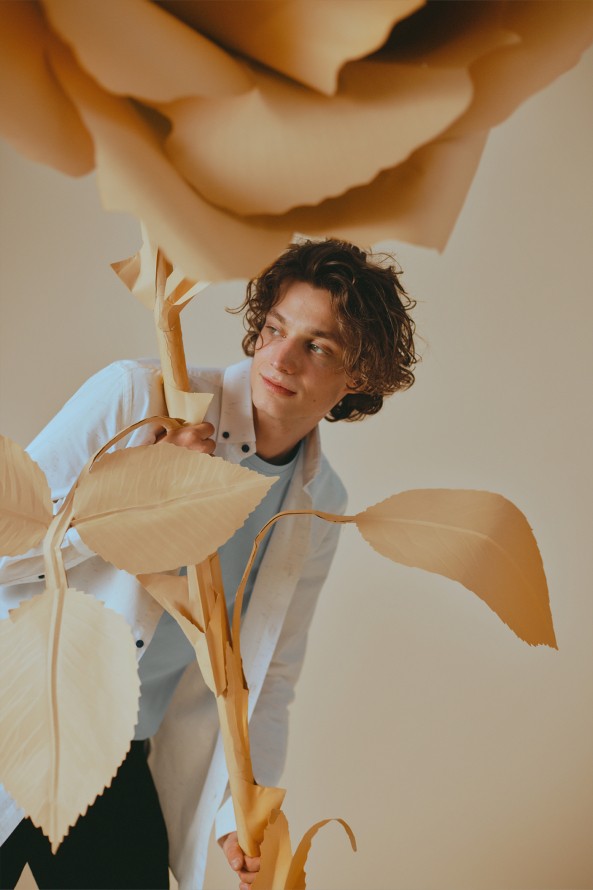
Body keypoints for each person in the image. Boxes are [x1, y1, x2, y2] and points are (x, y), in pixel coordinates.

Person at [0, 238, 417, 890]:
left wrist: (240, 811)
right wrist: (129, 497)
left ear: (358, 377)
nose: (279, 358)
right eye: (274, 329)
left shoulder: (320, 503)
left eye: (317, 346)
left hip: (111, 757)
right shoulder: (139, 397)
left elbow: (269, 674)